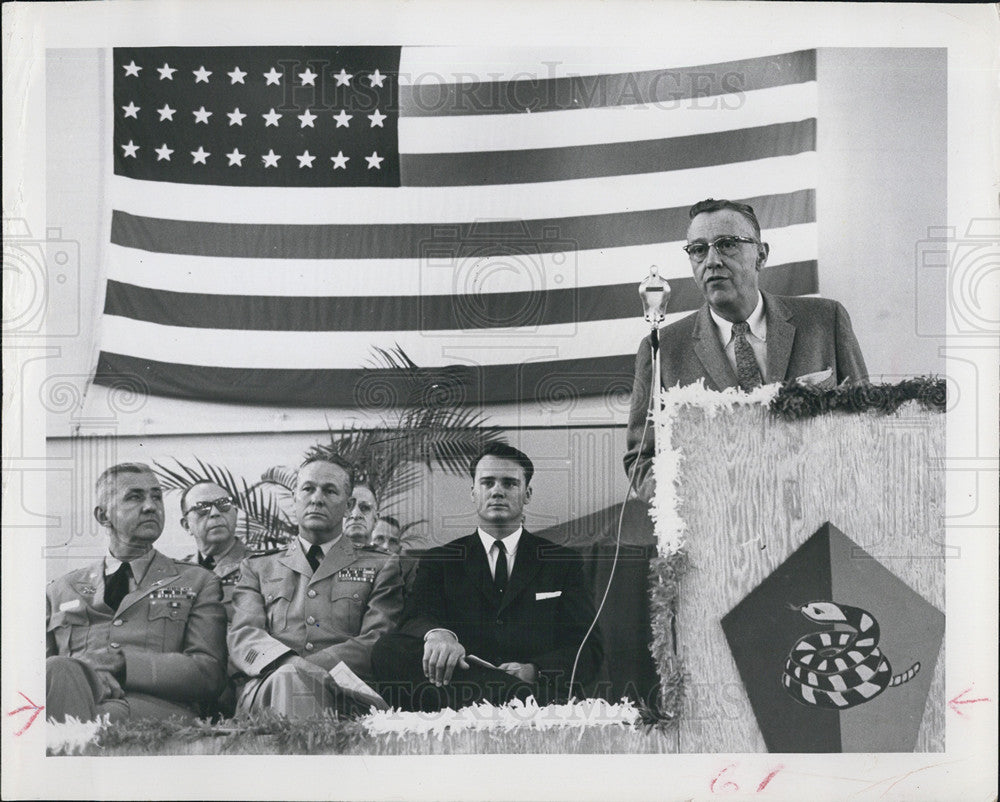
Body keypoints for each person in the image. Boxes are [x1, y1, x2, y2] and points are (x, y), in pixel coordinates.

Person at [624, 198, 869, 499]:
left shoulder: (825, 321)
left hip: (821, 515)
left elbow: (867, 423)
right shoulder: (662, 349)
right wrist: (693, 499)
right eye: (699, 250)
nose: (712, 261)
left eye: (727, 244)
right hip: (720, 531)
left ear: (761, 255)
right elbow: (642, 462)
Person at [372, 443, 602, 711]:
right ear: (473, 492)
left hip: (524, 685)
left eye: (509, 483)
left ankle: (515, 696)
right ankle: (518, 700)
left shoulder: (563, 563)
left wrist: (534, 670)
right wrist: (439, 635)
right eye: (487, 482)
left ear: (527, 493)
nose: (497, 491)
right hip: (464, 685)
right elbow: (415, 617)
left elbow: (588, 650)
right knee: (388, 651)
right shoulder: (440, 560)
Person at [46, 463, 227, 723]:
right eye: (134, 497)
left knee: (81, 719)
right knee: (56, 670)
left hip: (158, 713)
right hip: (75, 702)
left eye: (156, 496)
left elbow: (209, 674)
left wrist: (122, 665)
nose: (151, 506)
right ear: (103, 516)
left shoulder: (197, 581)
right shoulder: (61, 590)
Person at [228, 455, 403, 719]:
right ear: (295, 497)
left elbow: (377, 640)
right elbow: (245, 634)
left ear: (347, 507)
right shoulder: (258, 567)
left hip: (345, 694)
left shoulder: (381, 565)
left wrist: (305, 670)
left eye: (330, 491)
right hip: (268, 690)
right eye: (308, 488)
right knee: (287, 679)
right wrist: (290, 666)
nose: (317, 498)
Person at [179, 480, 248, 620]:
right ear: (186, 525)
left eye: (223, 504)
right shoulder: (175, 575)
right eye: (202, 507)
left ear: (235, 514)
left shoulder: (265, 566)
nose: (215, 513)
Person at [343, 483, 379, 548]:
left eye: (365, 508)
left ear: (376, 520)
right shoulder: (322, 557)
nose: (355, 515)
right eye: (348, 507)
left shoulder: (389, 558)